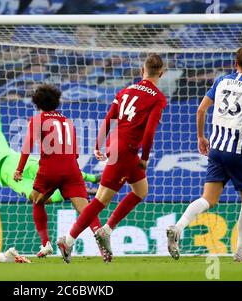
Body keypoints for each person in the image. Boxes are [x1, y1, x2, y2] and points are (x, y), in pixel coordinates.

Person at [166, 47, 242, 263]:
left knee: (208, 198)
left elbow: (201, 110)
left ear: (235, 63)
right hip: (239, 151)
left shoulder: (221, 81)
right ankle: (240, 252)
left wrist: (201, 137)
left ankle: (178, 227)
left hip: (216, 149)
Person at [57, 54, 167, 263]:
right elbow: (150, 132)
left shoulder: (125, 91)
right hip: (127, 151)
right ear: (161, 74)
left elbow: (109, 119)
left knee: (141, 191)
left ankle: (106, 230)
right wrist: (145, 158)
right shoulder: (157, 98)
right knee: (101, 200)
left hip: (118, 146)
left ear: (142, 71)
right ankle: (69, 240)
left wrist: (98, 144)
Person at [0, 101, 100, 258]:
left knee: (38, 199)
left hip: (16, 177)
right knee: (61, 170)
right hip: (25, 162)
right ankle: (90, 180)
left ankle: (46, 243)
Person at [13, 84, 105, 260]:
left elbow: (27, 147)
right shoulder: (68, 122)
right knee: (86, 211)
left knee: (37, 201)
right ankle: (102, 246)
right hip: (72, 169)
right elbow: (76, 152)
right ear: (56, 102)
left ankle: (46, 244)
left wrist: (19, 169)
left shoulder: (37, 119)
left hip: (49, 170)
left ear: (37, 103)